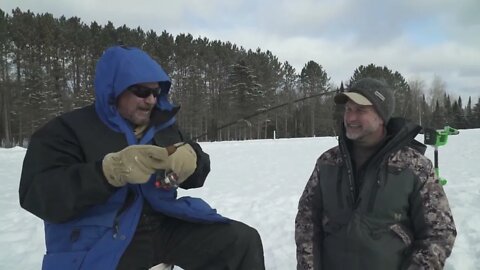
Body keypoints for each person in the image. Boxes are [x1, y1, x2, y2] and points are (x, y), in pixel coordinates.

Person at [19, 45, 265, 270]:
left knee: (241, 241)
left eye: (156, 93)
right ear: (114, 89)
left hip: (162, 224)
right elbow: (38, 195)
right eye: (141, 91)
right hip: (100, 235)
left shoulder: (163, 126)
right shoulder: (66, 130)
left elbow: (198, 172)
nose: (150, 100)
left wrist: (194, 159)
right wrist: (108, 173)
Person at [295, 77, 456, 270]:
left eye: (360, 110)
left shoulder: (414, 167)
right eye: (348, 109)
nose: (350, 118)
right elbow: (307, 221)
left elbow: (439, 233)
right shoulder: (328, 163)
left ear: (381, 116)